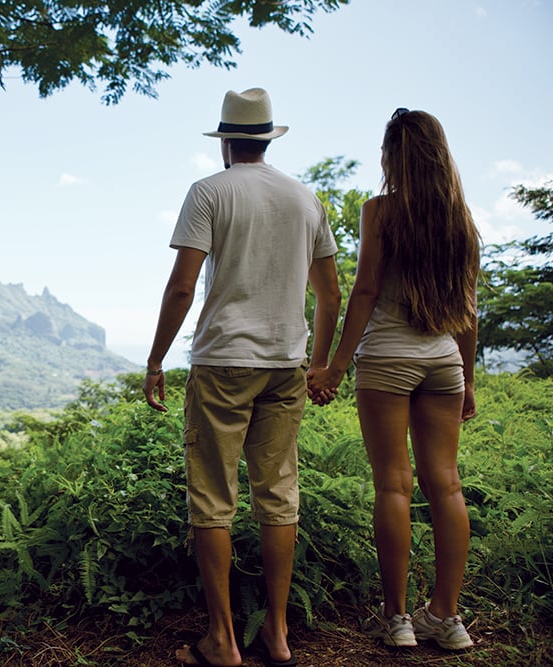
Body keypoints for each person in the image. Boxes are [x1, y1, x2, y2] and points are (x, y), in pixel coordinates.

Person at [143, 87, 341, 667]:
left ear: (227, 140)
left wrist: (156, 359)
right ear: (268, 138)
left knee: (212, 498)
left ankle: (223, 640)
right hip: (287, 363)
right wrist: (321, 363)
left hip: (224, 360)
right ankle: (277, 636)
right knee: (279, 494)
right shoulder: (306, 199)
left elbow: (182, 286)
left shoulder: (209, 192)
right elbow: (329, 294)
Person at [306, 108, 479, 651]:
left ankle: (398, 619)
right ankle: (447, 618)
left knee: (393, 485)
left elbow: (364, 292)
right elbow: (469, 311)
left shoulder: (380, 211)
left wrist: (334, 367)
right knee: (446, 484)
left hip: (387, 359)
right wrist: (467, 381)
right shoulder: (461, 220)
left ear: (392, 156)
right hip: (442, 362)